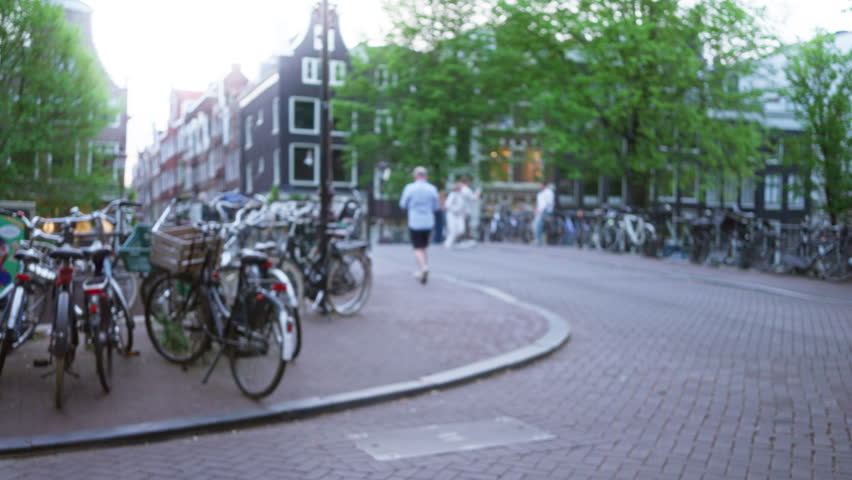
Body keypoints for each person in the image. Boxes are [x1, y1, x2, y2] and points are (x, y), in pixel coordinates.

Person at [399, 166, 439, 284]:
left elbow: (403, 204)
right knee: (424, 246)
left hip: (415, 221)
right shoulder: (432, 189)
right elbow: (436, 206)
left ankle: (423, 268)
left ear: (415, 176)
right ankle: (423, 268)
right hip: (428, 221)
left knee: (417, 247)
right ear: (426, 176)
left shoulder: (409, 188)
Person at [443, 183, 466, 248]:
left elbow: (463, 206)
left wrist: (463, 213)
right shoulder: (452, 194)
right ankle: (447, 243)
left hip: (459, 215)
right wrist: (455, 209)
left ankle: (452, 240)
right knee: (452, 230)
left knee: (461, 230)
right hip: (451, 214)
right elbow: (447, 205)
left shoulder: (462, 195)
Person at [533, 181, 555, 245]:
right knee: (535, 223)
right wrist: (536, 210)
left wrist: (541, 211)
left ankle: (537, 239)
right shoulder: (540, 194)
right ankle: (537, 238)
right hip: (540, 211)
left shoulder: (549, 192)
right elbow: (538, 203)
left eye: (541, 185)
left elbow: (549, 203)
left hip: (546, 211)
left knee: (538, 223)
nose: (540, 186)